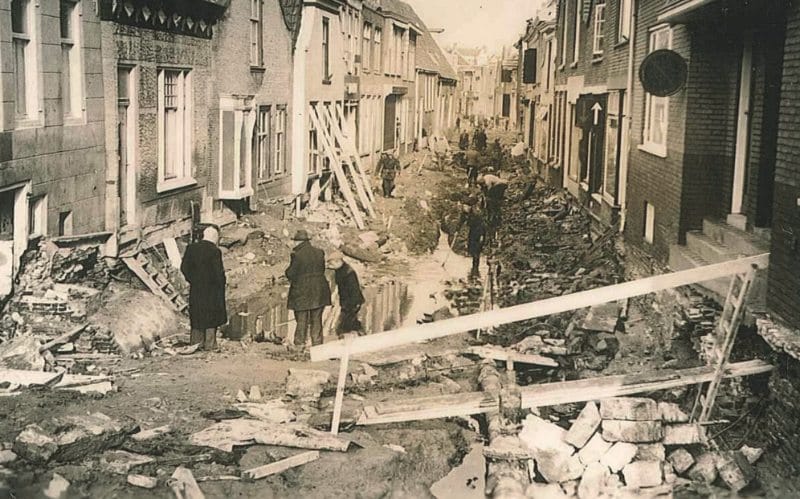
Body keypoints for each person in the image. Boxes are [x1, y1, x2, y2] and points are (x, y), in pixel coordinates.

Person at [180, 225, 227, 351]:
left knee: (197, 313)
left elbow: (184, 268)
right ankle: (210, 344)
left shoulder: (191, 248)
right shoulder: (215, 251)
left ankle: (196, 343)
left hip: (197, 288)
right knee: (211, 315)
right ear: (214, 238)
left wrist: (193, 280)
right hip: (212, 290)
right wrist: (221, 285)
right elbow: (218, 273)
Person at [285, 229, 332, 348]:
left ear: (298, 242)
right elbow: (321, 269)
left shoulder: (297, 255)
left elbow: (291, 273)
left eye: (295, 241)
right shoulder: (319, 252)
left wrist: (287, 273)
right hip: (319, 290)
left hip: (302, 291)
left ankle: (299, 345)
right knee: (317, 319)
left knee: (301, 320)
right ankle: (317, 345)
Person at [327, 252, 365, 336]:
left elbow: (354, 290)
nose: (330, 265)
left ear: (338, 261)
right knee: (351, 323)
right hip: (347, 302)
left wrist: (352, 305)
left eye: (331, 263)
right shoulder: (341, 270)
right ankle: (360, 333)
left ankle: (356, 335)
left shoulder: (348, 273)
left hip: (351, 303)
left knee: (344, 326)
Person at [478, 174, 509, 244]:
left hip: (502, 185)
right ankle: (496, 205)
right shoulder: (484, 179)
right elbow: (483, 191)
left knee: (492, 199)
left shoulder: (488, 182)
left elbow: (488, 192)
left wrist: (486, 201)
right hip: (498, 185)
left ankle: (495, 215)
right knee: (491, 199)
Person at [464, 205, 486, 278]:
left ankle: (475, 268)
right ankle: (474, 269)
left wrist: (482, 236)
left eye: (466, 206)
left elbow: (482, 225)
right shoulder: (468, 214)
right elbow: (464, 222)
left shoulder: (476, 215)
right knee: (473, 251)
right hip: (472, 233)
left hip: (478, 234)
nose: (465, 208)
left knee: (477, 252)